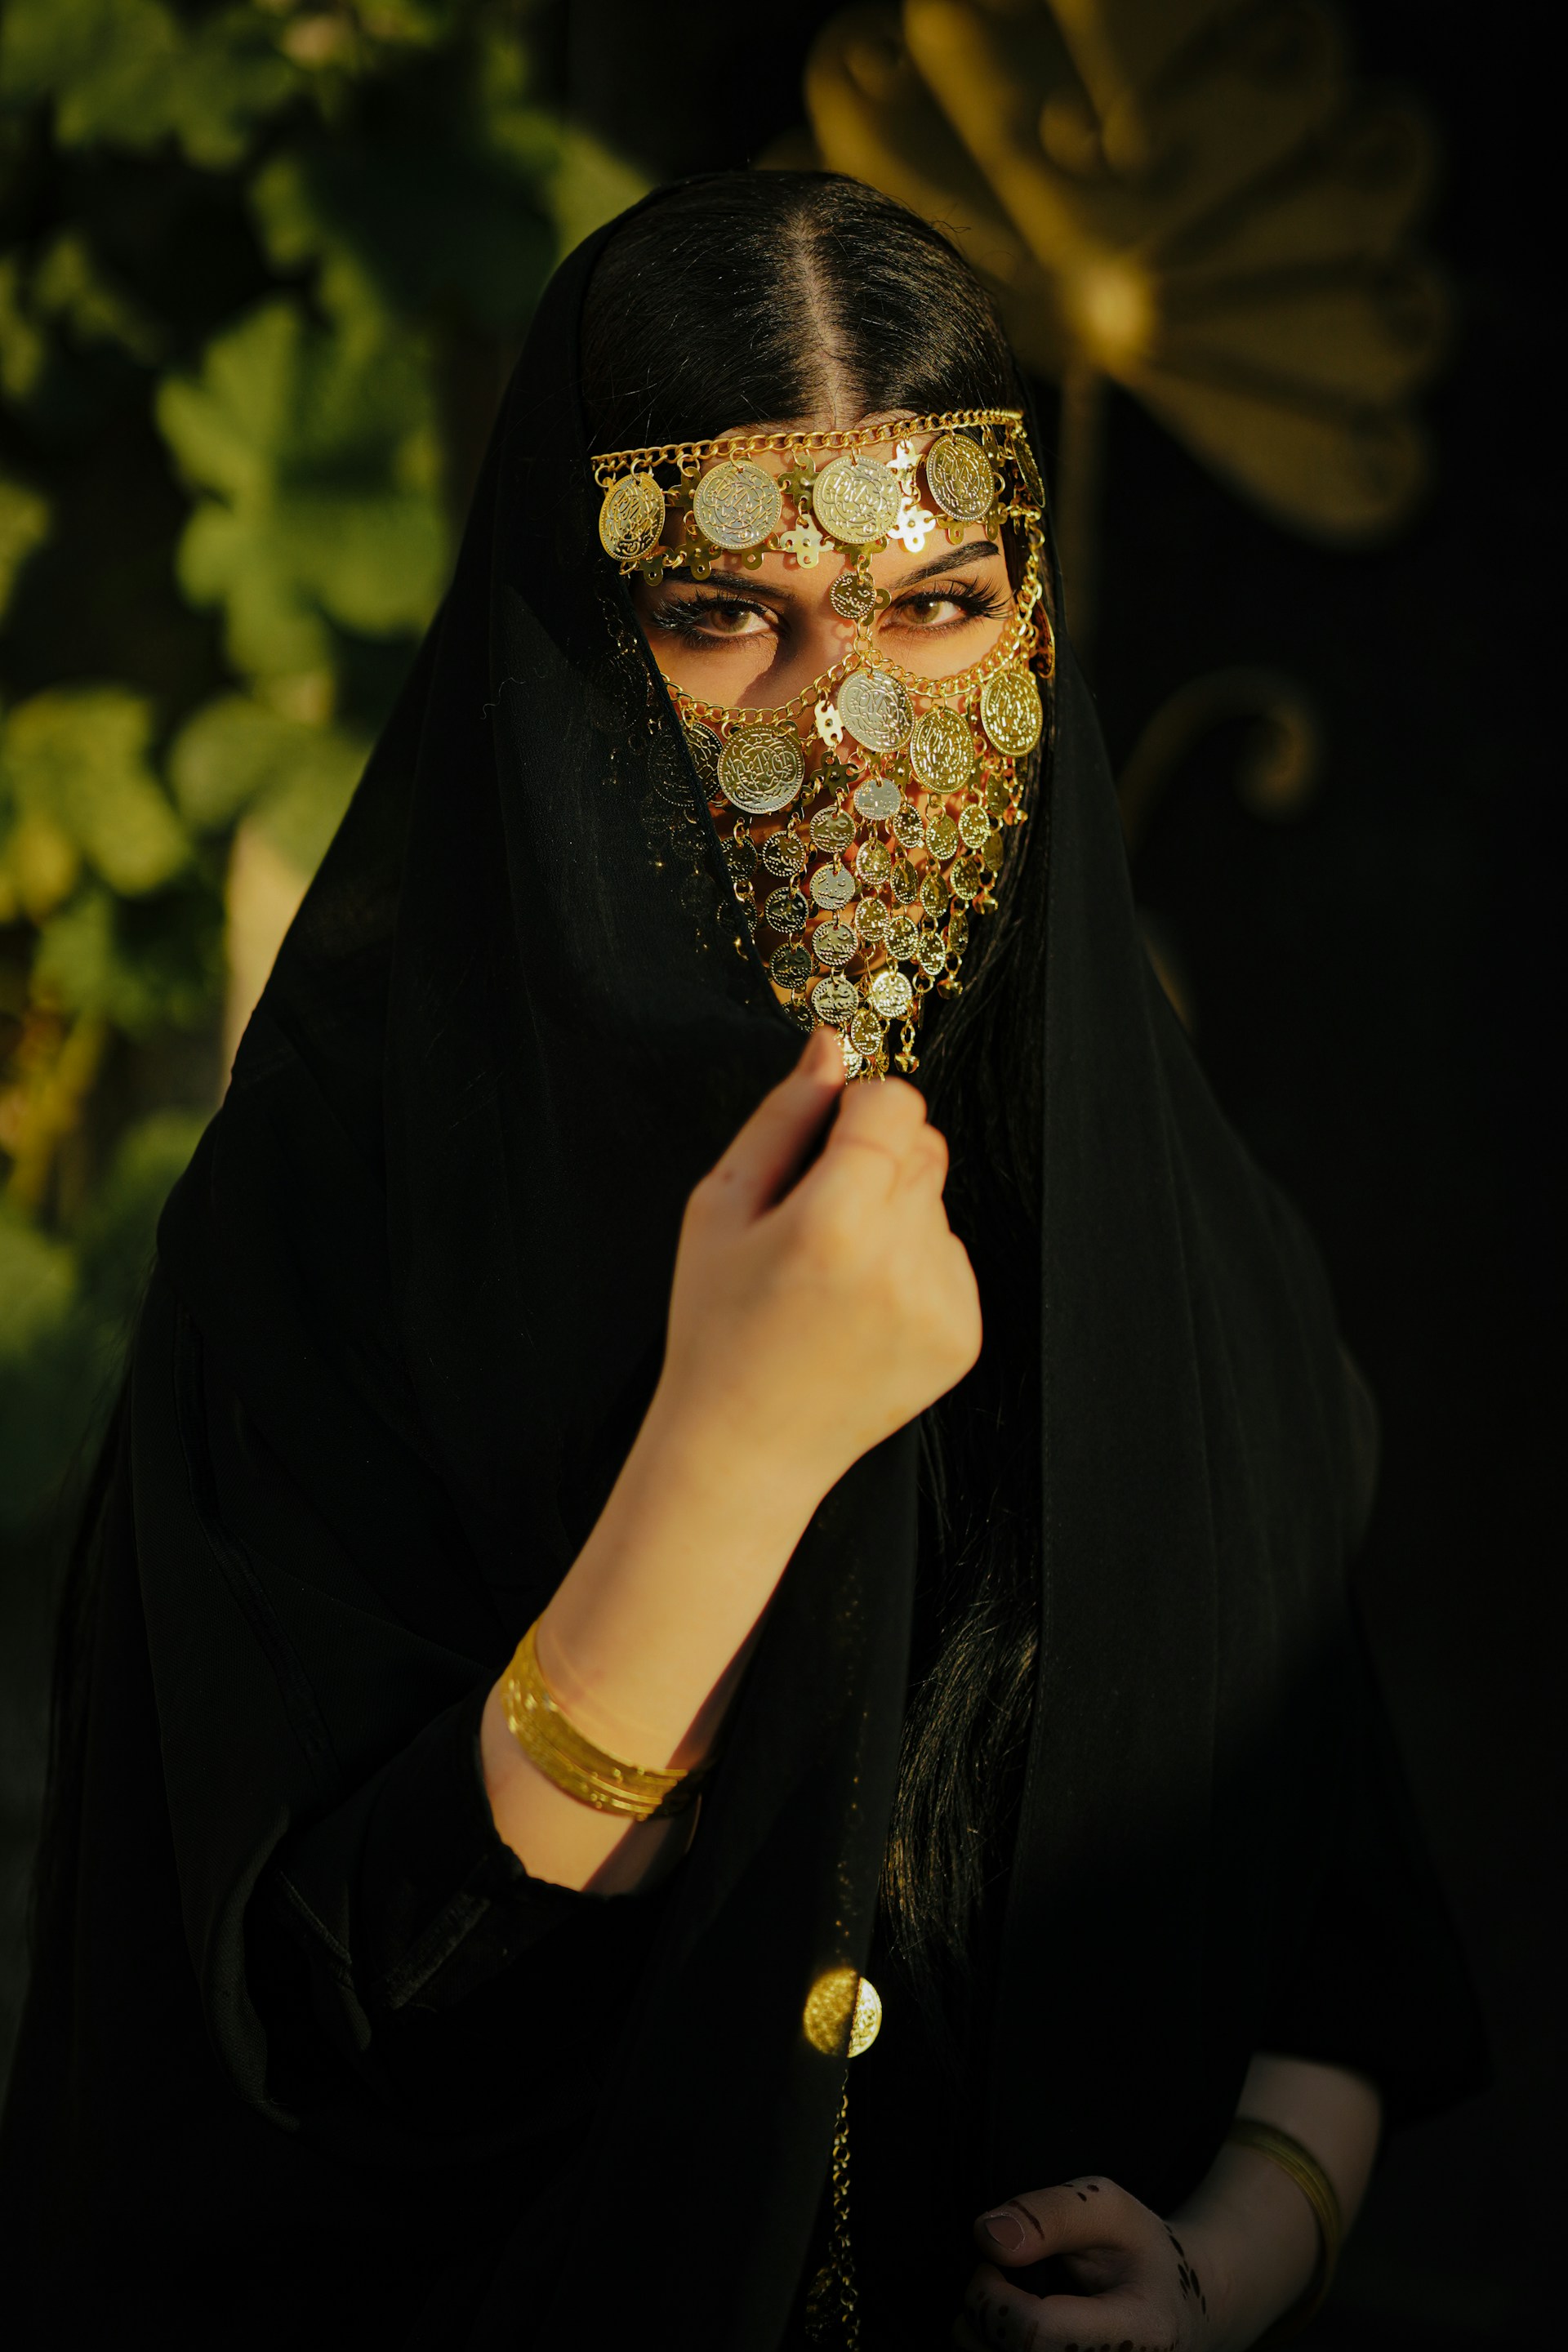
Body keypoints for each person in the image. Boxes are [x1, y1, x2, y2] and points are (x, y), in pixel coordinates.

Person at [0, 174, 1484, 2351]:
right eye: (727, 621)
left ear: (1038, 617)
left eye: (938, 603)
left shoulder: (1166, 1220)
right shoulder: (347, 1227)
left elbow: (1338, 1964)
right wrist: (730, 1454)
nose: (854, 724)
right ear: (580, 660)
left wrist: (1224, 2268)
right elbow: (285, 2037)